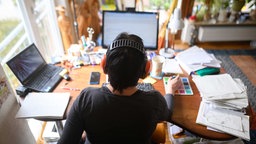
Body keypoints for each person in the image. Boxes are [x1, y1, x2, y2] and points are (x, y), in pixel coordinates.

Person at [57, 32, 182, 144]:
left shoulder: (86, 99)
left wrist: (85, 134)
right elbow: (167, 114)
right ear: (146, 69)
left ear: (104, 64)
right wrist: (170, 90)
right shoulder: (154, 101)